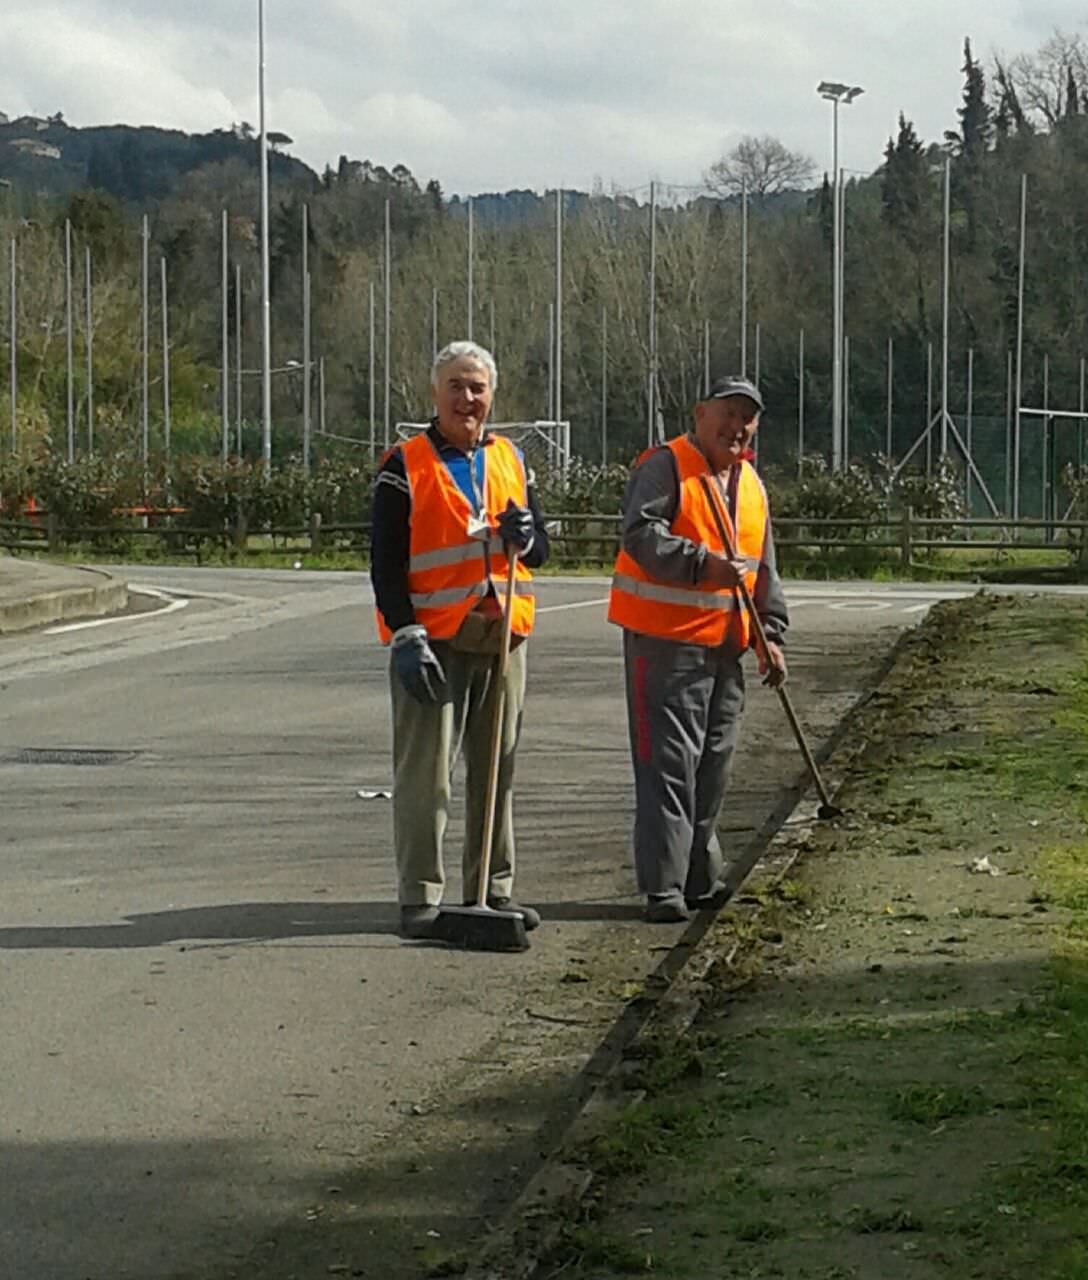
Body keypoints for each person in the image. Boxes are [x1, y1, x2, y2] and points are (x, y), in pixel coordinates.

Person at [370, 341, 550, 940]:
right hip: (435, 641)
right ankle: (420, 895)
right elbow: (385, 563)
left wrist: (528, 532)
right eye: (455, 385)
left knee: (498, 769)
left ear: (491, 395)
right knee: (428, 775)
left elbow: (539, 551)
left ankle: (491, 889)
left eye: (476, 387)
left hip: (503, 637)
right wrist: (405, 633)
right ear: (434, 393)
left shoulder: (512, 461)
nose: (466, 398)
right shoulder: (405, 464)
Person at [608, 375, 789, 923]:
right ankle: (663, 887)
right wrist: (699, 563)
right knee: (669, 767)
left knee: (713, 767)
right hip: (664, 644)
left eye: (746, 417)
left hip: (724, 650)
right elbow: (640, 535)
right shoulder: (665, 466)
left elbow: (764, 571)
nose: (736, 426)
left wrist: (770, 636)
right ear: (700, 414)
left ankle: (698, 876)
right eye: (727, 414)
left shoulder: (752, 484)